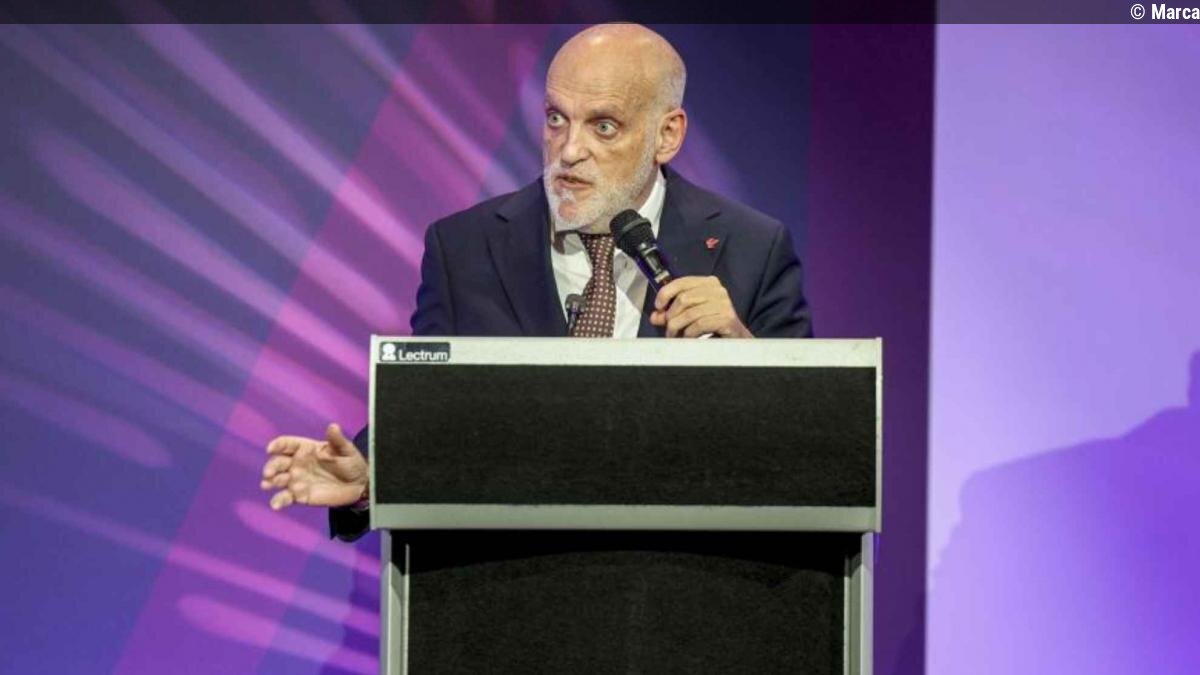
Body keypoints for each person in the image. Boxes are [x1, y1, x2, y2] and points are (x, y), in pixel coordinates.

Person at [259, 24, 813, 539]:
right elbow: (431, 408)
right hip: (511, 581)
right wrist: (370, 475)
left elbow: (810, 447)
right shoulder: (465, 247)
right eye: (555, 119)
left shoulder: (751, 247)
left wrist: (744, 351)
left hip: (685, 578)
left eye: (603, 126)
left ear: (666, 135)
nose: (569, 151)